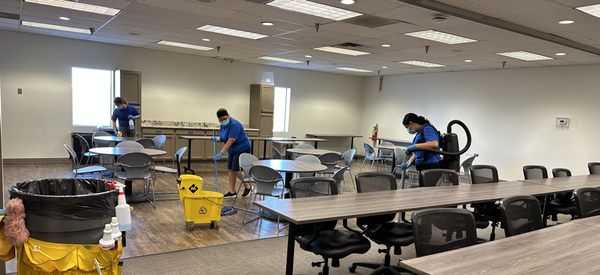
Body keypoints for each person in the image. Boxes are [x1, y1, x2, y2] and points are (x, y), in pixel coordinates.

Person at [212, 108, 252, 198]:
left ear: (228, 116)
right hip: (232, 149)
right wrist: (218, 139)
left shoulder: (235, 125)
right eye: (220, 120)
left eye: (224, 119)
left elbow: (231, 140)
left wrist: (221, 152)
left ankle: (248, 186)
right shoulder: (223, 125)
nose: (223, 121)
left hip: (242, 148)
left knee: (236, 169)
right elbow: (224, 136)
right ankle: (232, 191)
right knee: (230, 169)